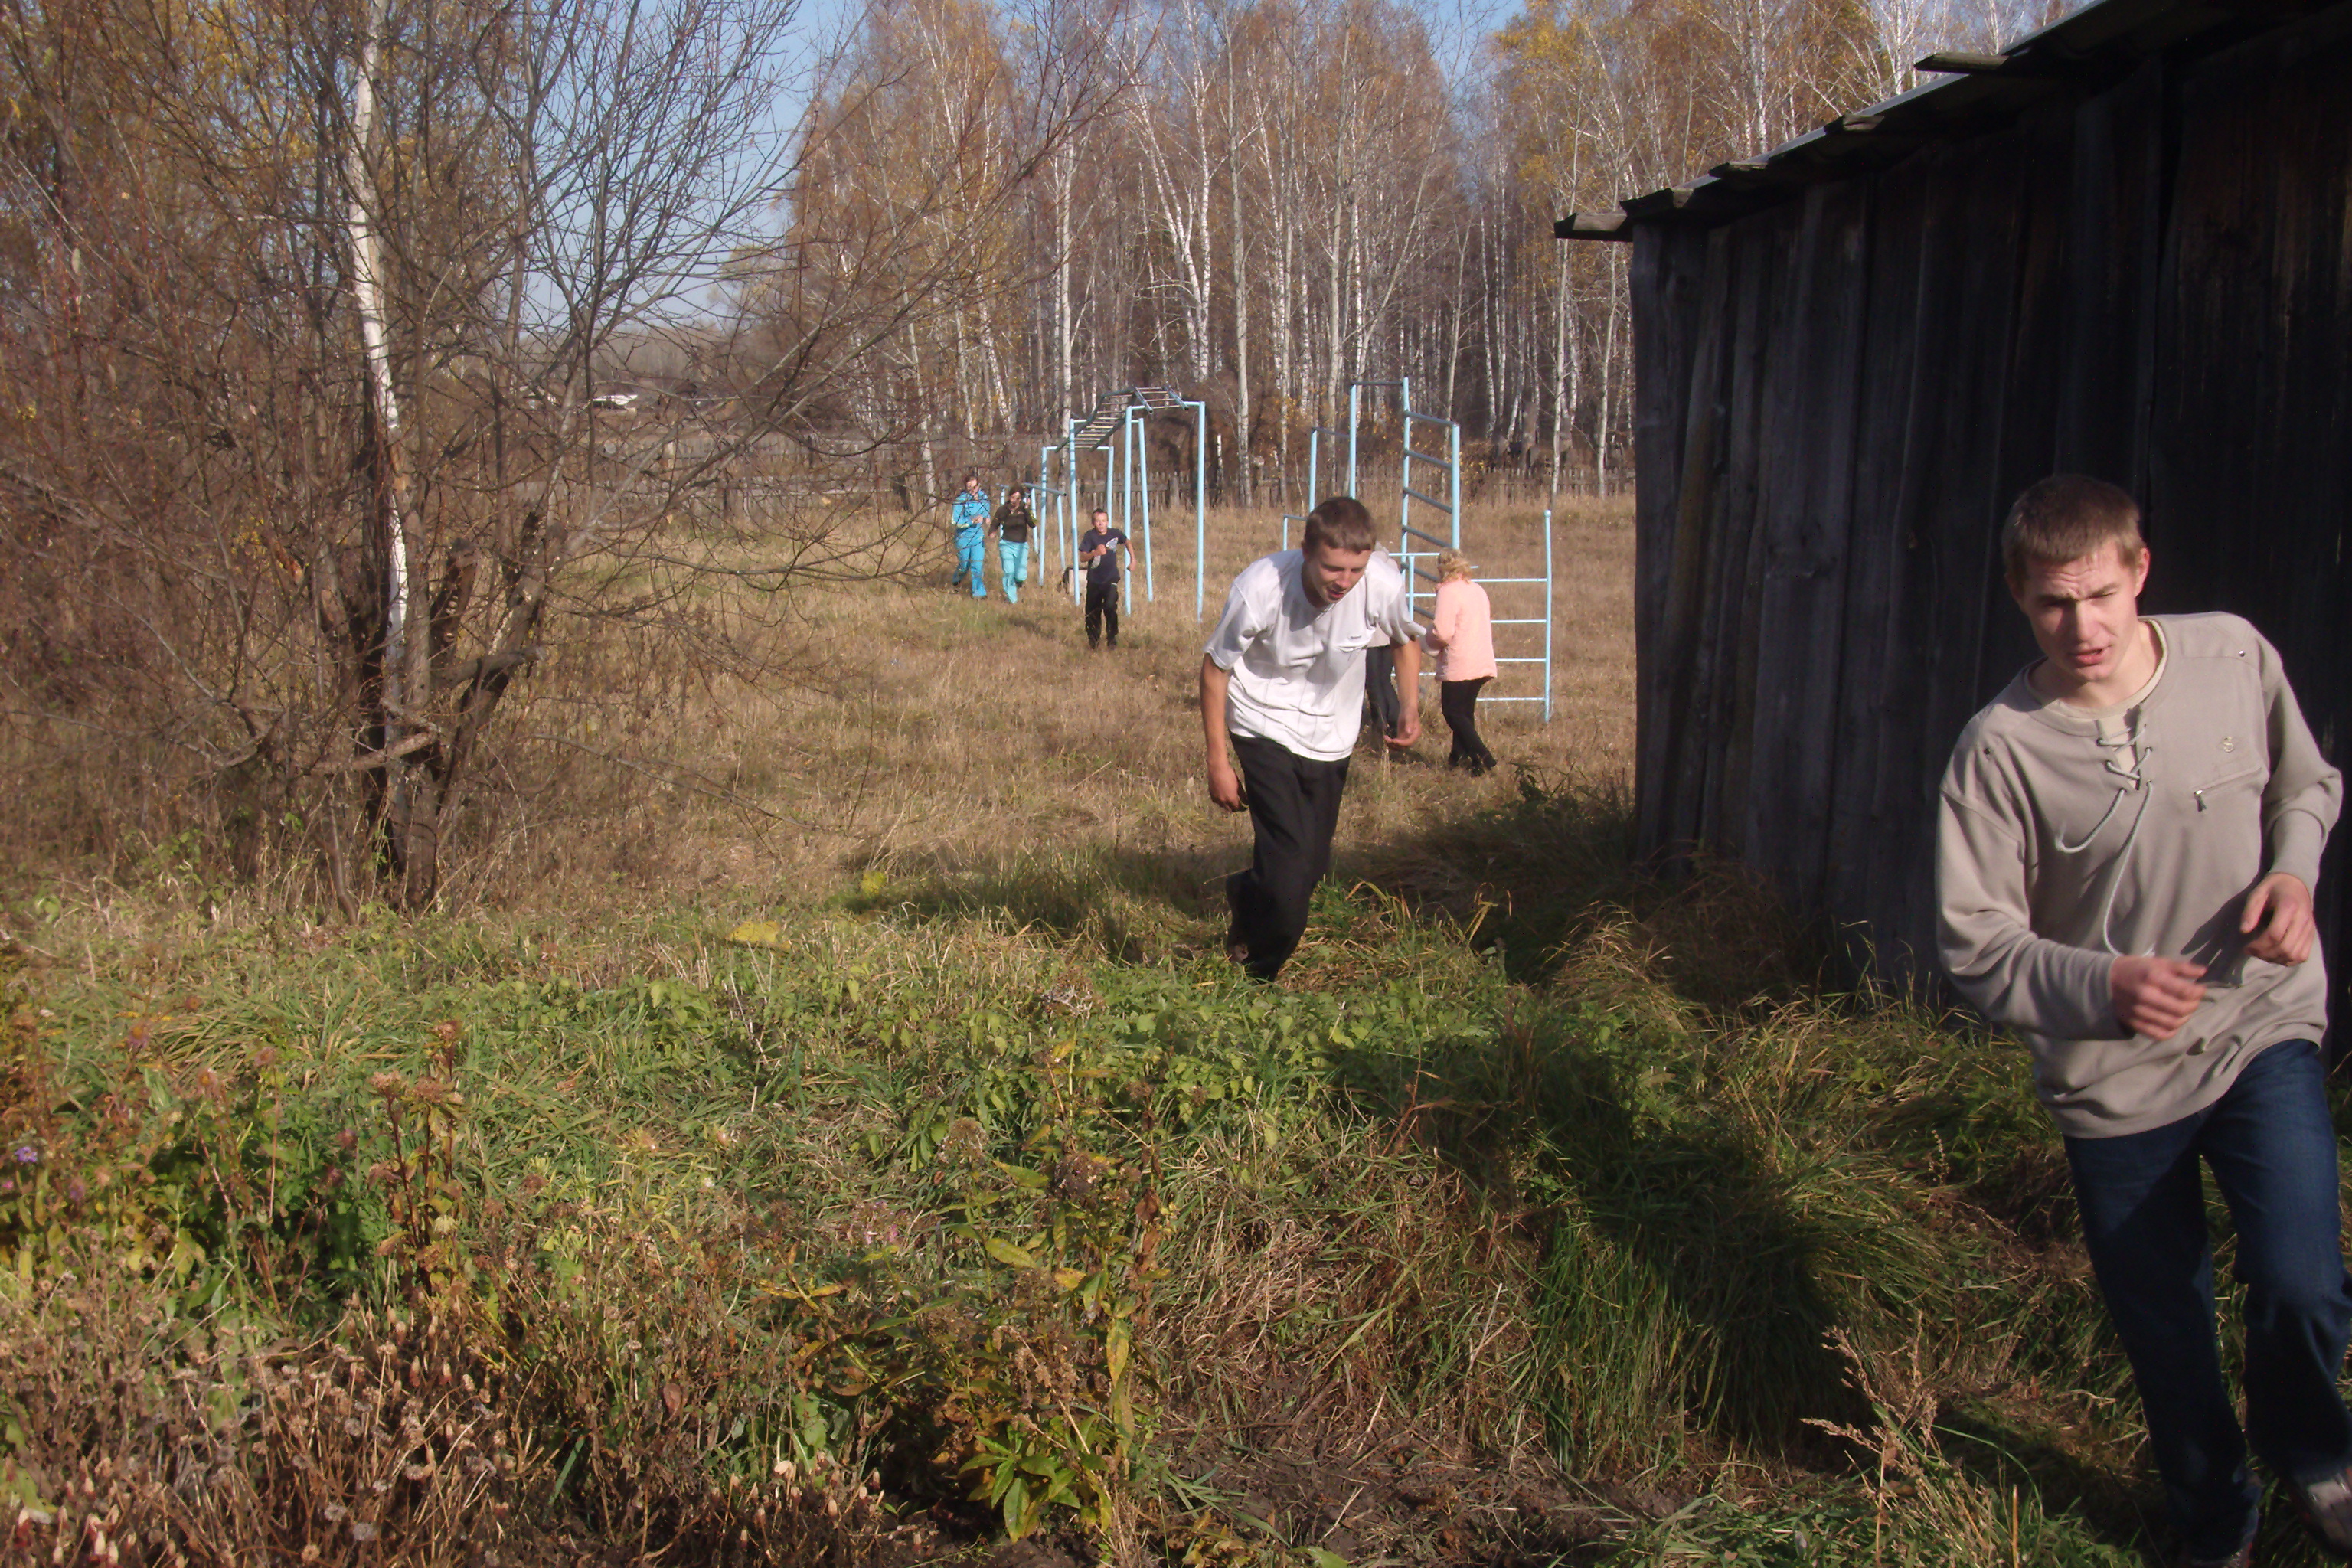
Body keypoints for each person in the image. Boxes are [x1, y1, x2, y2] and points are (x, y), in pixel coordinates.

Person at [1936, 474, 2346, 1568]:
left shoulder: (2233, 657)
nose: (2084, 627)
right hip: (2112, 1084)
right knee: (2168, 1331)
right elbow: (1975, 939)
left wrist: (2296, 878)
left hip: (2258, 1024)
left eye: (2102, 595)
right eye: (2053, 606)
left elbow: (2306, 786)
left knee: (2304, 1279)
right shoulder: (1999, 750)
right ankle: (2219, 1521)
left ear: (2140, 571)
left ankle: (2314, 1456)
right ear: (2020, 599)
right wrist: (2100, 988)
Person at [1200, 497, 1422, 982]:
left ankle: (1245, 893)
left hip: (1331, 734)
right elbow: (1215, 669)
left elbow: (1405, 639)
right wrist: (1218, 761)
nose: (1344, 582)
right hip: (1261, 723)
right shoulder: (1259, 589)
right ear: (1305, 551)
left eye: (1355, 569)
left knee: (1311, 867)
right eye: (1333, 568)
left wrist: (1409, 706)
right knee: (1289, 877)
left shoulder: (1381, 584)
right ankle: (1258, 976)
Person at [1424, 548, 1498, 773]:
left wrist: (1425, 641)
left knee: (1452, 712)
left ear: (1442, 567)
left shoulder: (1448, 592)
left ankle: (1484, 757)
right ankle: (1461, 760)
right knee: (1464, 714)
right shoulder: (1476, 589)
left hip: (1460, 661)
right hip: (1482, 658)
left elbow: (1443, 632)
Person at [1078, 508, 1129, 649]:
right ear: (1093, 523)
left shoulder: (1115, 534)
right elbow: (1082, 557)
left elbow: (1127, 542)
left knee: (1110, 606)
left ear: (1107, 522)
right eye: (1098, 521)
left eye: (1103, 521)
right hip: (1094, 580)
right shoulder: (1090, 536)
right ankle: (1093, 642)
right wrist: (1094, 553)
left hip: (1111, 579)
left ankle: (1112, 639)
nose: (1101, 524)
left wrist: (1133, 560)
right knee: (1092, 612)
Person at [991, 485, 1035, 605]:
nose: (1014, 500)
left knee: (1020, 575)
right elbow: (995, 522)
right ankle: (1012, 599)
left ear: (1021, 499)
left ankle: (1018, 582)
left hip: (1021, 546)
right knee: (1009, 571)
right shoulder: (1003, 510)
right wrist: (993, 532)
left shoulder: (1024, 510)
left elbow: (1033, 524)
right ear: (1009, 497)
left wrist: (1028, 510)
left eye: (1017, 498)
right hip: (1006, 544)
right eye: (1012, 497)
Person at [949, 473, 991, 599]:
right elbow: (954, 521)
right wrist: (970, 521)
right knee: (964, 565)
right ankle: (957, 580)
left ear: (979, 485)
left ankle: (979, 594)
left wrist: (986, 519)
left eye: (975, 487)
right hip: (963, 537)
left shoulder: (984, 498)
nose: (973, 490)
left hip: (978, 537)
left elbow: (987, 514)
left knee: (977, 565)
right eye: (969, 487)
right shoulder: (961, 500)